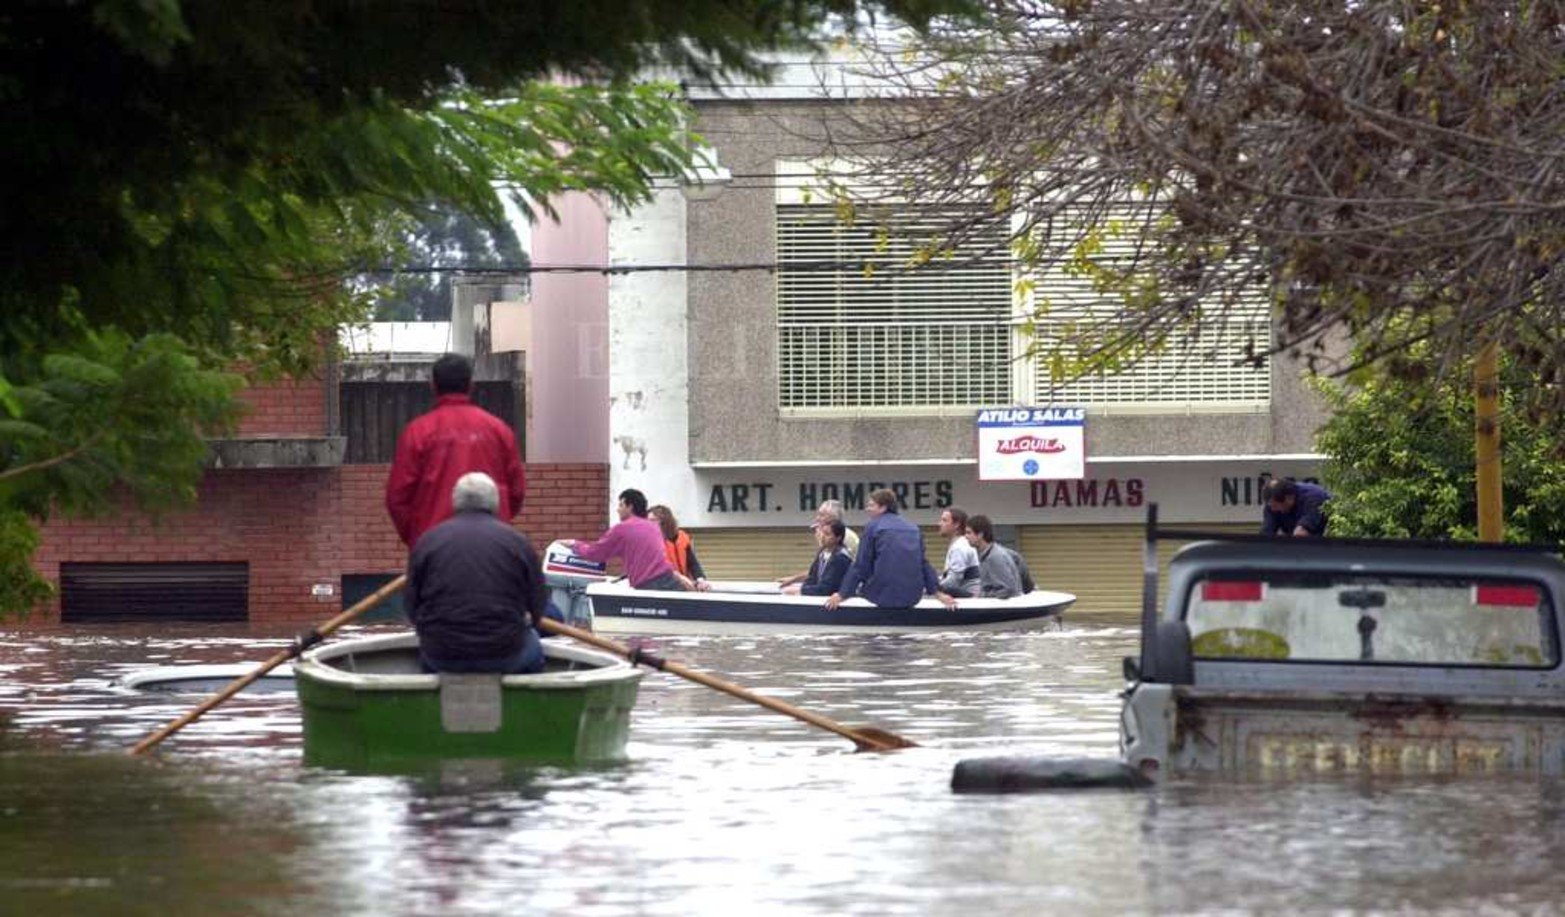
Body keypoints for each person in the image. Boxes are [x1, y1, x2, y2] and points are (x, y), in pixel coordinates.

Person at [405, 472, 547, 674]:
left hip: (443, 657)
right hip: (506, 655)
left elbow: (411, 608)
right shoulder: (518, 543)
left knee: (426, 649)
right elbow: (538, 608)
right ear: (495, 503)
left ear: (455, 502)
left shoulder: (428, 541)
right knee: (533, 640)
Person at [385, 352, 526, 548]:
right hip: (492, 547)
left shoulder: (418, 432)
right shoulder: (499, 430)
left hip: (434, 546)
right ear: (470, 385)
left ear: (433, 386)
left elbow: (397, 497)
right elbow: (516, 492)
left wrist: (418, 538)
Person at [824, 489, 955, 610]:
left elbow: (861, 565)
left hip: (881, 596)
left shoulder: (873, 527)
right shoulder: (913, 528)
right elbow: (923, 564)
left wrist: (842, 594)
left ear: (883, 507)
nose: (867, 509)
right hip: (912, 597)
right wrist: (939, 594)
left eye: (871, 505)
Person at [568, 489, 686, 591]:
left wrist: (574, 544)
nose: (618, 509)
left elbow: (596, 553)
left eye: (621, 505)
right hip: (669, 580)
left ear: (630, 507)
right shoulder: (654, 527)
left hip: (648, 586)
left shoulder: (622, 528)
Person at [778, 499, 860, 587]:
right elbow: (819, 571)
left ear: (833, 519)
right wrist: (793, 579)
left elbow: (832, 574)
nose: (817, 518)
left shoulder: (845, 538)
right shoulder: (827, 538)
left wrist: (795, 583)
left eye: (822, 515)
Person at [649, 504, 712, 592]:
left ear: (664, 521)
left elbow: (693, 563)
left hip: (684, 589)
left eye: (653, 520)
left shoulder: (683, 537)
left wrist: (700, 580)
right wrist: (680, 578)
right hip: (664, 589)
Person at [783, 519, 852, 596]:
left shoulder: (841, 557)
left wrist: (801, 591)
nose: (822, 537)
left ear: (838, 538)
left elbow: (826, 588)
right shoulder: (822, 553)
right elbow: (811, 578)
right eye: (822, 533)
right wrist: (803, 588)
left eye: (827, 534)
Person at [964, 514, 1024, 599]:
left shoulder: (994, 557)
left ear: (980, 535)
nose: (966, 536)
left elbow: (1008, 590)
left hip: (1003, 610)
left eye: (969, 533)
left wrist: (982, 596)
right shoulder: (988, 554)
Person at [1261, 478, 1331, 537]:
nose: (1273, 509)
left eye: (1276, 506)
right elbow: (1266, 534)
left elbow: (1301, 532)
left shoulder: (1314, 496)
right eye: (1271, 506)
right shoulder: (1271, 507)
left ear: (1289, 498)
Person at [937, 507, 982, 598]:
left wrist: (930, 588)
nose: (939, 523)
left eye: (944, 520)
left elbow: (953, 582)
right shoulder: (959, 544)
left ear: (956, 524)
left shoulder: (959, 547)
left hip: (969, 599)